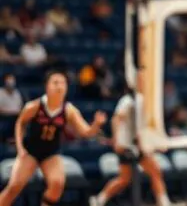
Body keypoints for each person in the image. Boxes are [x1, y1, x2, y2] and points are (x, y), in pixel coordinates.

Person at [0, 70, 107, 206]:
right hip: (30, 151)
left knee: (57, 183)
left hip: (50, 152)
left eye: (63, 83)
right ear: (47, 86)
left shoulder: (69, 110)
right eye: (55, 83)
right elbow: (20, 123)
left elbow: (86, 132)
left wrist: (96, 125)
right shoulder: (34, 106)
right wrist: (20, 148)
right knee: (15, 186)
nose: (59, 86)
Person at [90, 71, 178, 206]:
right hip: (126, 145)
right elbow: (116, 119)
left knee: (153, 172)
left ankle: (99, 199)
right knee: (126, 178)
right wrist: (117, 140)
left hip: (139, 144)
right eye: (141, 79)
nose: (144, 81)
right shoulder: (127, 100)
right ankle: (99, 199)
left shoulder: (143, 100)